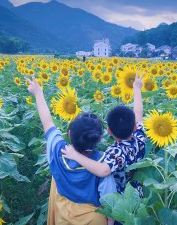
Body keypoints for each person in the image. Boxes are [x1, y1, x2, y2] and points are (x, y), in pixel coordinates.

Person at [25, 76, 115, 225]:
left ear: (69, 134)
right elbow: (109, 200)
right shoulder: (103, 164)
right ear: (99, 138)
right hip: (93, 219)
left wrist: (38, 94)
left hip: (63, 214)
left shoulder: (58, 149)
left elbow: (47, 121)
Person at [62, 72, 146, 196]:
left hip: (121, 199)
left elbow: (104, 170)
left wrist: (75, 155)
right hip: (136, 193)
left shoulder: (116, 152)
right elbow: (138, 113)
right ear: (134, 126)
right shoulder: (140, 137)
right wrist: (137, 89)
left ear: (109, 131)